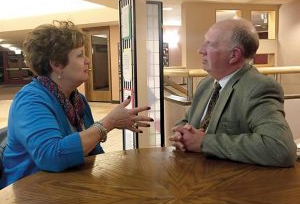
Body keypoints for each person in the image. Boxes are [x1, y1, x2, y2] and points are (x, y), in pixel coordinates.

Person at [0, 21, 153, 188]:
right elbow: (52, 156)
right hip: (31, 196)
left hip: (65, 187)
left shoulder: (76, 99)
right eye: (80, 55)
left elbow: (93, 154)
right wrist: (109, 123)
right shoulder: (30, 101)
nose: (88, 60)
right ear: (57, 64)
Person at [169, 18, 297, 167]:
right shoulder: (207, 83)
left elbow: (280, 148)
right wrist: (181, 134)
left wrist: (204, 142)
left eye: (210, 44)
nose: (200, 50)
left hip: (234, 184)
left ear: (234, 55)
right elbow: (188, 122)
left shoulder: (259, 87)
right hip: (195, 177)